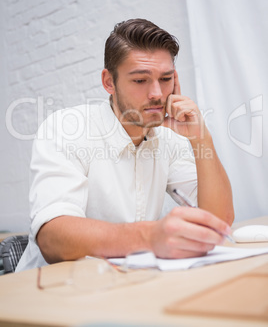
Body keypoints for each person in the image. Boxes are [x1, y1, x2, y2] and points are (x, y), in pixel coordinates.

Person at [16, 18, 234, 271]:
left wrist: (200, 138)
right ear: (109, 82)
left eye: (165, 79)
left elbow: (219, 223)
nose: (157, 93)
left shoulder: (169, 138)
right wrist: (149, 237)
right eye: (140, 80)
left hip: (125, 285)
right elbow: (52, 239)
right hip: (51, 292)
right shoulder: (67, 128)